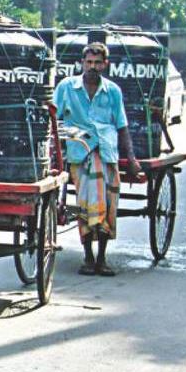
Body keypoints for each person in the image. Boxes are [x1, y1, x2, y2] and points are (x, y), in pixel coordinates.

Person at [52, 41, 142, 276]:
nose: (92, 67)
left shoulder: (113, 91)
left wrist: (132, 159)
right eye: (89, 62)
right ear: (82, 63)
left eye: (97, 63)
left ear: (105, 65)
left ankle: (101, 257)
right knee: (86, 203)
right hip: (79, 153)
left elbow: (122, 126)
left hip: (107, 153)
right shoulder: (66, 87)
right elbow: (53, 119)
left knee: (108, 204)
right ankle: (88, 257)